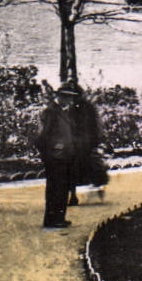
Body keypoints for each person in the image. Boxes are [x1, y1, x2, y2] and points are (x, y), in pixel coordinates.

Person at [35, 83, 80, 230]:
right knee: (55, 188)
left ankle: (59, 218)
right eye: (66, 97)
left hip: (65, 156)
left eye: (71, 97)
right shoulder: (51, 111)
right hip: (55, 157)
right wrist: (49, 152)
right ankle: (52, 220)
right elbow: (43, 135)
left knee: (62, 188)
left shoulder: (64, 111)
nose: (69, 100)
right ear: (59, 96)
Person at [67, 83, 107, 207]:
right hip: (73, 143)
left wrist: (96, 140)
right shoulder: (69, 108)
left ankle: (99, 188)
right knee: (71, 169)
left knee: (92, 166)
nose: (73, 99)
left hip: (86, 143)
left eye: (75, 96)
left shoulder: (88, 107)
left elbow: (96, 124)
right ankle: (73, 196)